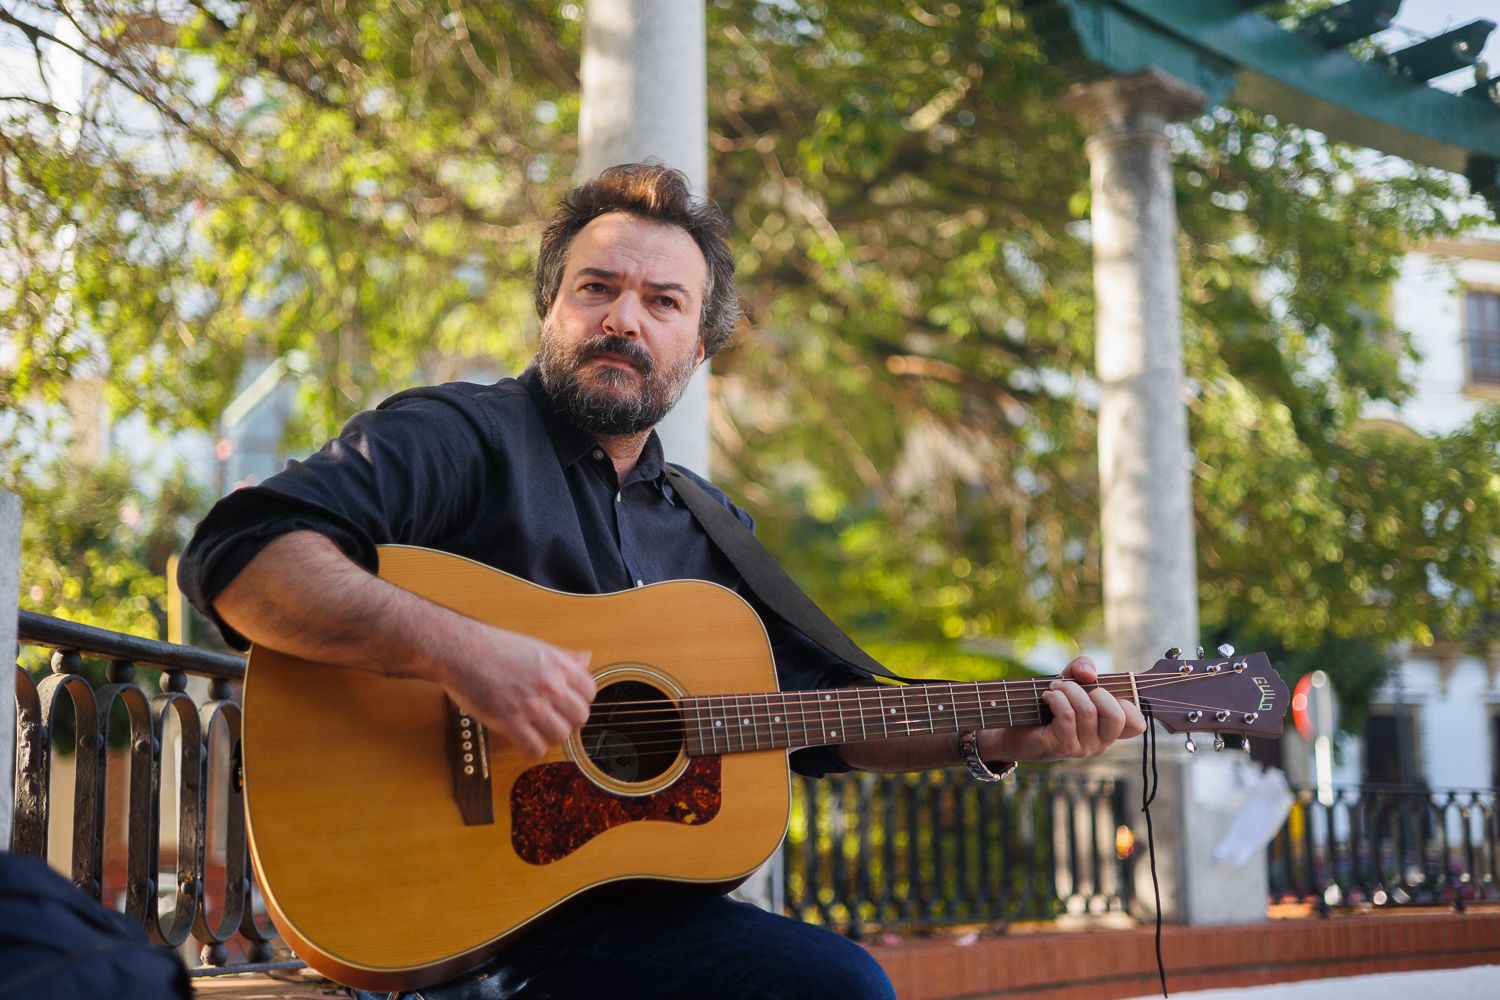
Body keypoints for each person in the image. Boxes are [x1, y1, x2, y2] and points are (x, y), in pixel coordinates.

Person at [180, 162, 1148, 1000]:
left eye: (662, 302)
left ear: (700, 344)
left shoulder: (708, 528)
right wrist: (461, 650)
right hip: (435, 915)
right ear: (552, 307)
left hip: (615, 929)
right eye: (596, 288)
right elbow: (241, 556)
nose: (623, 320)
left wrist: (993, 732)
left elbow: (820, 717)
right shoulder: (462, 435)